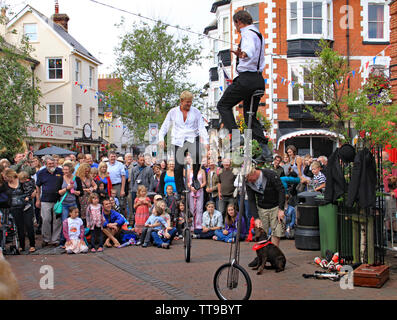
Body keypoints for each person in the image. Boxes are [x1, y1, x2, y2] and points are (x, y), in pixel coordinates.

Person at [216, 10, 272, 163]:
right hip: (258, 79)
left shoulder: (247, 33)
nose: (236, 28)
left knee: (223, 105)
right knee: (250, 117)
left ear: (239, 22)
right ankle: (266, 151)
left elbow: (249, 51)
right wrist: (243, 54)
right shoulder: (259, 34)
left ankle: (236, 137)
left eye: (235, 25)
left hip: (246, 79)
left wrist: (242, 54)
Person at [158, 91, 209, 195]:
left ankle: (195, 178)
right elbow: (164, 126)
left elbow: (201, 127)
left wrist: (206, 140)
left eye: (190, 102)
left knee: (198, 155)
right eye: (187, 102)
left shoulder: (196, 112)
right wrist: (161, 139)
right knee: (178, 167)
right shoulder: (173, 112)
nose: (189, 104)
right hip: (178, 140)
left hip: (192, 137)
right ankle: (180, 189)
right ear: (181, 101)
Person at [246, 165, 286, 251]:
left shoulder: (270, 175)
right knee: (261, 232)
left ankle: (273, 254)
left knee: (276, 232)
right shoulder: (248, 182)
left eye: (249, 178)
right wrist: (256, 217)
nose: (249, 181)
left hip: (275, 206)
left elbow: (281, 190)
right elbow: (251, 200)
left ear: (254, 173)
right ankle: (263, 255)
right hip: (262, 207)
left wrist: (281, 209)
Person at [4, 169, 35, 253]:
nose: (5, 179)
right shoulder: (6, 185)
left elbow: (31, 189)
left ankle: (32, 245)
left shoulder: (21, 181)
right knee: (19, 227)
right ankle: (22, 245)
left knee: (29, 225)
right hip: (14, 207)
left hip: (26, 206)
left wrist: (30, 196)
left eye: (6, 177)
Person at [35, 156, 64, 247]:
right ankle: (46, 239)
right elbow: (37, 187)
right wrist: (37, 200)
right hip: (45, 200)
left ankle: (55, 239)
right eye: (49, 164)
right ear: (45, 164)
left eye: (53, 163)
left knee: (57, 220)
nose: (52, 165)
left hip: (58, 200)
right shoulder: (41, 173)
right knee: (46, 219)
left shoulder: (60, 171)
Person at [57, 162, 83, 247]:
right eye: (64, 169)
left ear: (71, 170)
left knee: (76, 222)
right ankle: (63, 241)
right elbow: (58, 192)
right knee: (65, 222)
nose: (65, 171)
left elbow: (81, 192)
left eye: (67, 169)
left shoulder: (77, 179)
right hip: (64, 203)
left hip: (73, 203)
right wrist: (66, 189)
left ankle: (77, 239)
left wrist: (74, 191)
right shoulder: (61, 179)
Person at [130, 154, 153, 221]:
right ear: (138, 161)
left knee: (145, 206)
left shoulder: (149, 169)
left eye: (143, 160)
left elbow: (151, 181)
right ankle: (135, 220)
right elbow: (132, 180)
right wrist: (132, 189)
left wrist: (150, 190)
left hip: (145, 190)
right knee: (135, 206)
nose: (142, 161)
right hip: (135, 190)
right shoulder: (134, 169)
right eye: (141, 160)